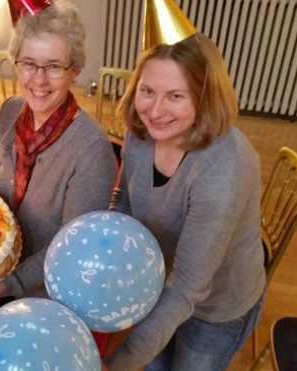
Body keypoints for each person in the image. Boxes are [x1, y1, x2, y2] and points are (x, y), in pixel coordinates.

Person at [102, 33, 267, 371]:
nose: (155, 110)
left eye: (175, 96)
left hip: (216, 308)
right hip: (160, 283)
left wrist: (118, 363)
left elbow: (188, 289)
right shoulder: (141, 130)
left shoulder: (225, 167)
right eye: (147, 91)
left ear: (205, 98)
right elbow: (125, 202)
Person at [0, 0, 117, 301]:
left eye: (53, 66)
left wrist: (12, 284)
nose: (38, 80)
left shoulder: (92, 150)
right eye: (28, 63)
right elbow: (2, 179)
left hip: (46, 292)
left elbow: (70, 246)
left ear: (74, 70)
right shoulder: (10, 111)